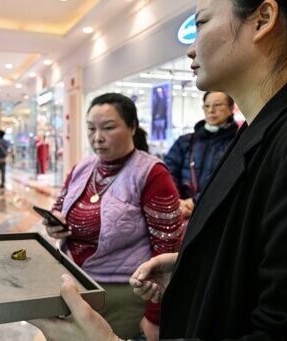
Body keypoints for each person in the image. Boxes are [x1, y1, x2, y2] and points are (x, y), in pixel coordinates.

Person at [30, 0, 287, 340]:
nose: (191, 50)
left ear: (263, 19)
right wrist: (192, 268)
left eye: (202, 24)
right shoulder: (258, 132)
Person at [44, 93, 183, 340]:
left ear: (132, 127)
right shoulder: (83, 167)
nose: (97, 138)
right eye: (90, 129)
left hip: (122, 293)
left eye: (108, 128)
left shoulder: (151, 173)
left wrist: (154, 315)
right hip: (75, 281)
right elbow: (60, 205)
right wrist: (55, 222)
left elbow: (166, 247)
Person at [164, 91, 238, 218]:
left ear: (231, 109)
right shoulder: (185, 141)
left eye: (218, 105)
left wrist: (195, 202)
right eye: (207, 106)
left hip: (219, 213)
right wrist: (177, 202)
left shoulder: (238, 142)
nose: (211, 110)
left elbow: (230, 180)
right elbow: (168, 173)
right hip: (182, 210)